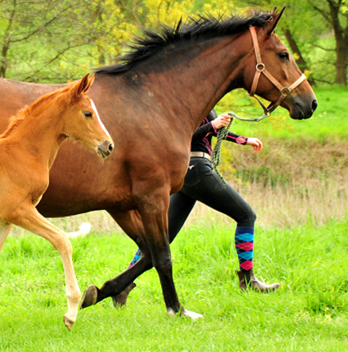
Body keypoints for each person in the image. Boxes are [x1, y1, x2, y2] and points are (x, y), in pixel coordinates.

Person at [118, 110, 279, 306]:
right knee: (246, 215)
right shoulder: (186, 104)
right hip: (196, 168)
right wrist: (214, 125)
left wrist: (244, 140)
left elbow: (215, 131)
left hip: (189, 171)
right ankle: (248, 280)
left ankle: (121, 286)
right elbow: (185, 135)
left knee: (162, 238)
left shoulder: (206, 105)